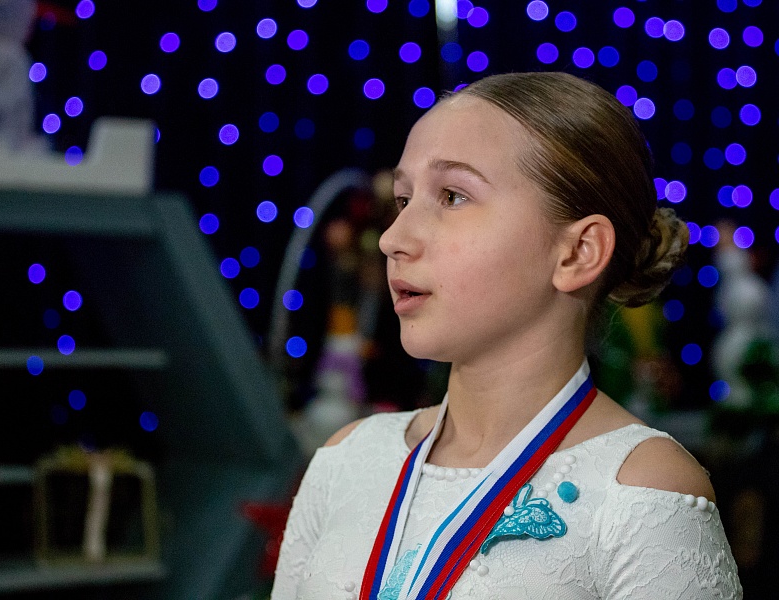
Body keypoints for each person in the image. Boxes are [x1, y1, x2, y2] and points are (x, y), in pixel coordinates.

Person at [271, 71, 742, 599]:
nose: (393, 238)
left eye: (453, 196)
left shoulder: (640, 489)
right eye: (403, 201)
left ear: (577, 252)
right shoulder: (348, 459)